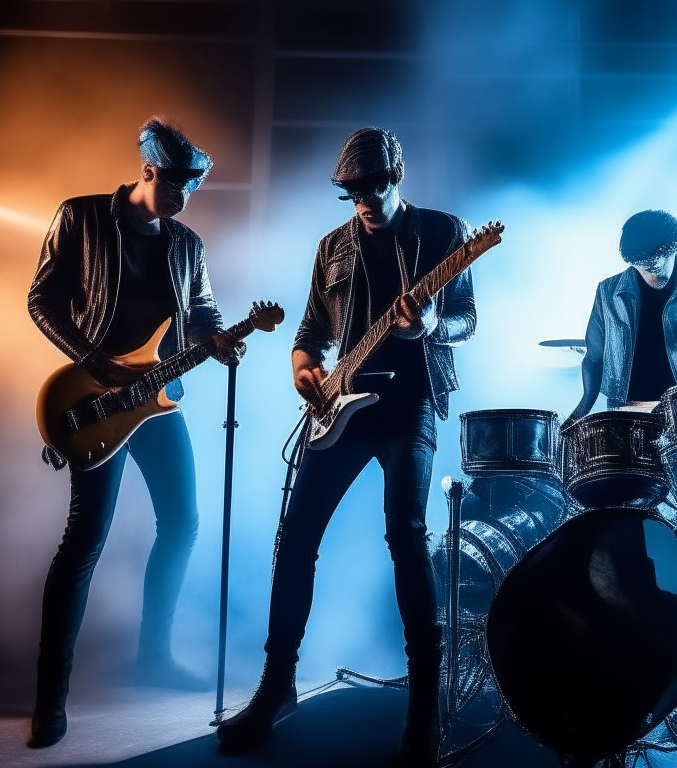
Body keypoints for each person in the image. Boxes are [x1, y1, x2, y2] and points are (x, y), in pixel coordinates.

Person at [216, 127, 475, 768]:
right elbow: (310, 330)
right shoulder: (331, 246)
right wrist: (304, 369)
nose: (365, 197)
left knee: (406, 536)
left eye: (375, 184)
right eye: (353, 190)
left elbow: (467, 318)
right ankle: (278, 687)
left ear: (398, 175)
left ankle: (424, 699)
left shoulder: (445, 233)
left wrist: (433, 322)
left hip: (410, 405)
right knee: (295, 532)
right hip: (343, 408)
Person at [26, 119, 244, 748]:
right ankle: (50, 699)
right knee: (84, 541)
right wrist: (93, 364)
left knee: (183, 523)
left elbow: (203, 313)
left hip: (158, 403)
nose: (183, 196)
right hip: (97, 397)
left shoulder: (187, 243)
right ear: (149, 171)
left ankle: (155, 657)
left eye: (193, 187)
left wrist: (222, 342)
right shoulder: (82, 217)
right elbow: (42, 300)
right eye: (176, 183)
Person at [568, 209, 677, 422]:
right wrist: (581, 409)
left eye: (655, 261)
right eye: (641, 264)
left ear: (674, 247)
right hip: (628, 412)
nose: (650, 270)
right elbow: (594, 358)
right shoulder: (608, 292)